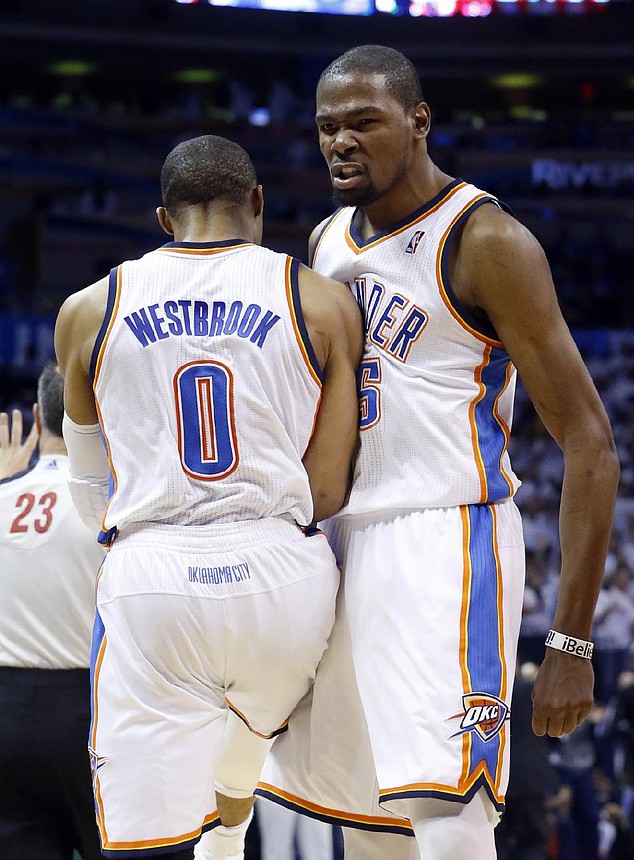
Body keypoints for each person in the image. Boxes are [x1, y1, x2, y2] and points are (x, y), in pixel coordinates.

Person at [258, 45, 620, 860]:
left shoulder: (486, 238)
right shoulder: (325, 240)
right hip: (346, 539)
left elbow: (591, 443)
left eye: (364, 123)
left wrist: (569, 642)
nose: (341, 143)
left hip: (444, 536)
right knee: (367, 814)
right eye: (326, 129)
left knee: (447, 809)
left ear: (418, 122)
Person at [54, 134, 362, 860]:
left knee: (144, 839)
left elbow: (89, 486)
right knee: (249, 739)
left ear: (164, 220)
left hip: (154, 576)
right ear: (257, 204)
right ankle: (234, 806)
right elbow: (325, 489)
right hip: (282, 580)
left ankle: (213, 824)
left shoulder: (88, 308)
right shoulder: (320, 300)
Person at [0, 362, 104, 860]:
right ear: (98, 417)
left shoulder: (1, 498)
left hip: (7, 719)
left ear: (37, 415)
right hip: (88, 712)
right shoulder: (112, 508)